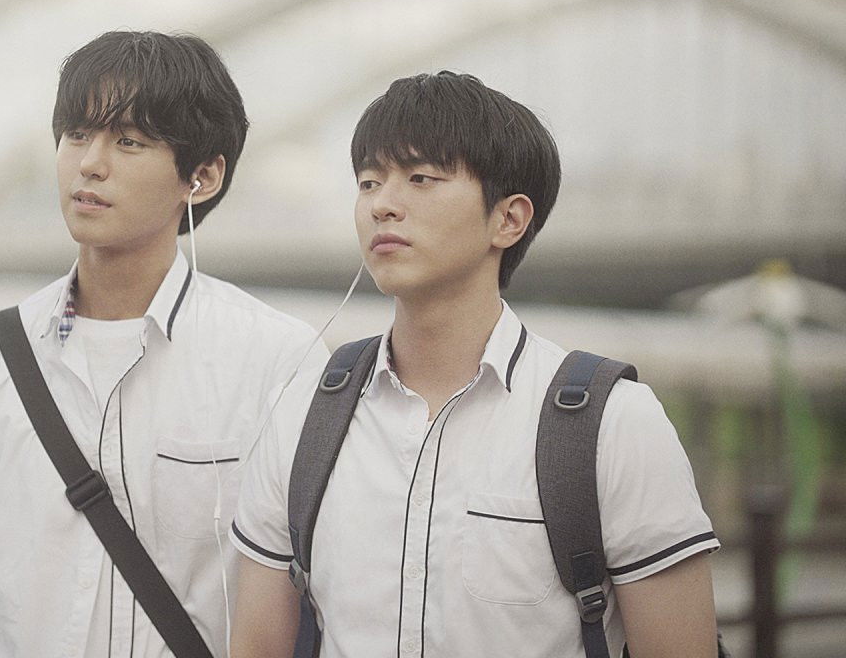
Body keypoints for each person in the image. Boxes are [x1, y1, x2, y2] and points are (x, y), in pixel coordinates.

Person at [229, 72, 720, 657]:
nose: (382, 204)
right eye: (368, 182)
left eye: (421, 178)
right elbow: (257, 645)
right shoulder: (304, 414)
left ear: (509, 219)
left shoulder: (609, 423)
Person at [0, 30, 326, 657]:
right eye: (76, 134)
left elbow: (301, 602)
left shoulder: (278, 360)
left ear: (202, 176)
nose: (90, 163)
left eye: (129, 141)